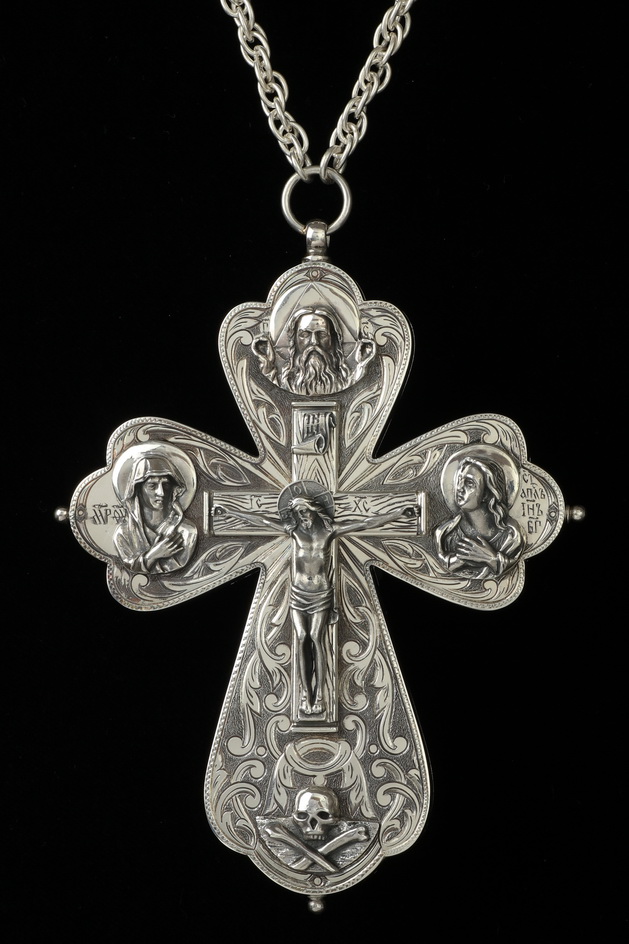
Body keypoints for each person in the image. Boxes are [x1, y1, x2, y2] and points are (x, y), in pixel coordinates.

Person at [214, 494, 416, 716]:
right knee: (302, 637)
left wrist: (397, 514)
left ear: (314, 510)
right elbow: (262, 521)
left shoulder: (329, 532)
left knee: (316, 637)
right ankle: (305, 693)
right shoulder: (294, 532)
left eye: (304, 511)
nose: (301, 516)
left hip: (320, 594)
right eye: (297, 513)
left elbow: (365, 523)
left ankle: (320, 694)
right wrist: (230, 511)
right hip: (298, 594)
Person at [435, 455, 524, 580]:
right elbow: (441, 565)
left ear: (486, 494)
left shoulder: (511, 537)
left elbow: (510, 564)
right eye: (459, 480)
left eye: (469, 483)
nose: (459, 488)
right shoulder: (445, 535)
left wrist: (490, 558)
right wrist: (461, 558)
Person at [114, 453, 197, 574]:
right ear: (137, 489)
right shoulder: (123, 533)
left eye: (166, 485)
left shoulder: (187, 531)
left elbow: (178, 565)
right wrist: (153, 555)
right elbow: (130, 565)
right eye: (152, 486)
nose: (161, 492)